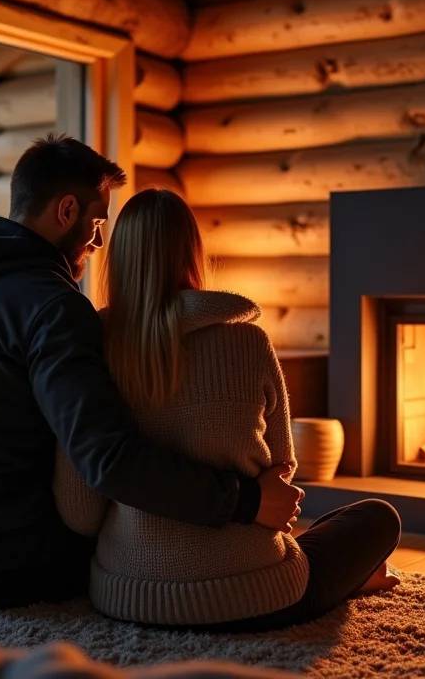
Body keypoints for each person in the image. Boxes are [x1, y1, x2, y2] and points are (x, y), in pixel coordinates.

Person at [0, 135, 303, 611]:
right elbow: (109, 461)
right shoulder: (54, 306)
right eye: (97, 223)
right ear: (67, 210)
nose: (97, 242)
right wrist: (246, 501)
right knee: (97, 518)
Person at [53, 188, 403, 631]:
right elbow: (282, 470)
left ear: (119, 261)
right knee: (377, 517)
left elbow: (80, 513)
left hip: (131, 596)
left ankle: (350, 575)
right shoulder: (249, 343)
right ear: (192, 252)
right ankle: (353, 576)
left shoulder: (91, 353)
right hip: (255, 595)